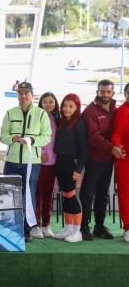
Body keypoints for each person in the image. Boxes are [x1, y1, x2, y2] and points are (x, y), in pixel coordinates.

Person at [0, 82, 51, 242]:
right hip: (11, 161)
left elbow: (47, 136)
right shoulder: (10, 113)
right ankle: (11, 227)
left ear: (32, 95)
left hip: (32, 163)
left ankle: (27, 229)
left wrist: (32, 140)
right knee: (9, 195)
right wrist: (12, 139)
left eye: (26, 93)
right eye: (20, 93)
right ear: (17, 95)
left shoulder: (41, 114)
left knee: (29, 195)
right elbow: (3, 135)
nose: (23, 96)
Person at [79, 79, 123, 241]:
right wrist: (112, 147)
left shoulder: (114, 108)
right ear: (97, 92)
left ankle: (99, 226)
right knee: (87, 194)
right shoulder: (90, 111)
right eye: (102, 91)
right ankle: (83, 226)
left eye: (108, 91)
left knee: (103, 194)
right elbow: (93, 137)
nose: (105, 94)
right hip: (93, 158)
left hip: (108, 159)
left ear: (112, 93)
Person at [53, 94, 88, 242]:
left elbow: (85, 148)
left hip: (73, 164)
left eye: (71, 106)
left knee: (73, 196)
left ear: (77, 108)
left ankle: (77, 231)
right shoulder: (60, 122)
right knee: (65, 196)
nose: (67, 109)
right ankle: (68, 228)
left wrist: (79, 169)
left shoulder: (79, 123)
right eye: (65, 106)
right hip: (60, 162)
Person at [31, 92, 60, 239]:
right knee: (37, 195)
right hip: (39, 162)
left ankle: (46, 225)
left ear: (55, 103)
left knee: (49, 195)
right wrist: (41, 152)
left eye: (51, 101)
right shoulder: (37, 118)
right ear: (40, 104)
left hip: (53, 163)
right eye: (45, 102)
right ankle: (35, 225)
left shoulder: (57, 119)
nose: (48, 104)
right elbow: (34, 137)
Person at [111, 82, 129, 243]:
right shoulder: (122, 112)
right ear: (125, 94)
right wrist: (117, 146)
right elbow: (116, 133)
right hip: (125, 159)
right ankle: (128, 228)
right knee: (125, 194)